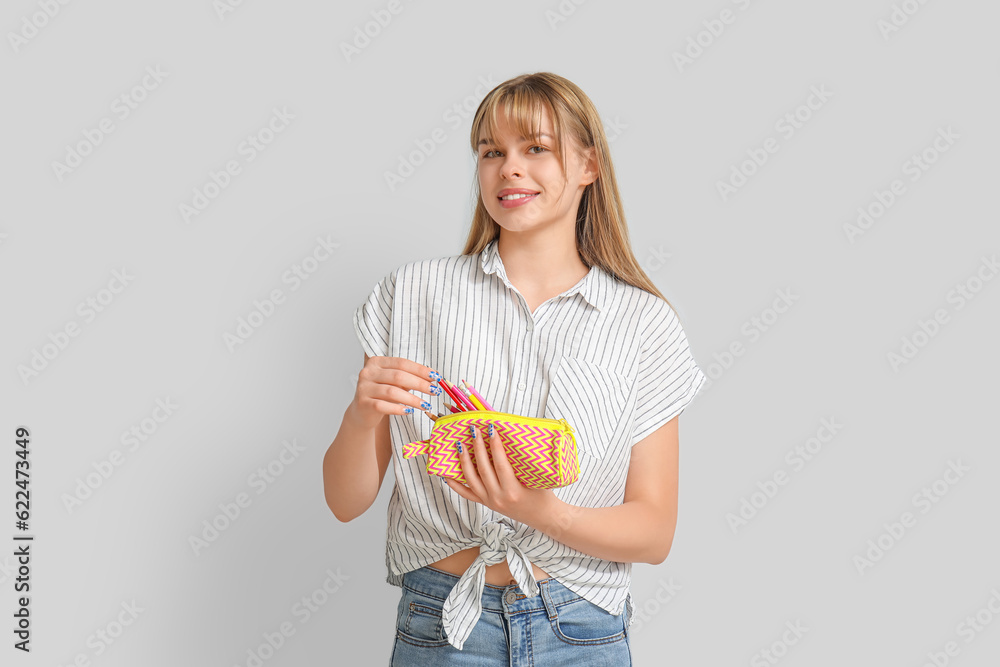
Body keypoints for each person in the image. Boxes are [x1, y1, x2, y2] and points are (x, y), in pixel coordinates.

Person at [323, 71, 707, 665]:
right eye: (491, 151)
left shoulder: (643, 323)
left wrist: (538, 511)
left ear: (588, 165)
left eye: (536, 148)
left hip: (581, 630)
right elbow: (345, 502)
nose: (509, 168)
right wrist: (358, 416)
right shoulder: (411, 295)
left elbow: (654, 532)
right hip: (443, 624)